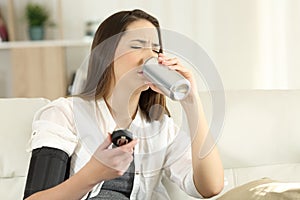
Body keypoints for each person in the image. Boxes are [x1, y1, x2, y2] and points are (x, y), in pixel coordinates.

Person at [23, 9, 224, 200]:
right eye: (137, 46)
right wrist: (92, 174)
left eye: (155, 49)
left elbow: (210, 187)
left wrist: (192, 101)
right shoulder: (65, 114)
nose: (150, 56)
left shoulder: (160, 127)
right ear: (106, 54)